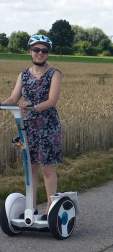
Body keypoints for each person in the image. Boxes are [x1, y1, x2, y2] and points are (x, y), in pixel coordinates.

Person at [1, 34, 63, 219]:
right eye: (36, 49)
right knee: (31, 167)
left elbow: (52, 101)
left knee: (47, 168)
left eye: (44, 50)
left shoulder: (55, 73)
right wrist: (4, 104)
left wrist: (31, 107)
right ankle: (31, 208)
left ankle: (51, 211)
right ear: (30, 51)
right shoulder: (23, 74)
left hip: (48, 127)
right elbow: (14, 98)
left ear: (47, 53)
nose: (40, 53)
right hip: (26, 127)